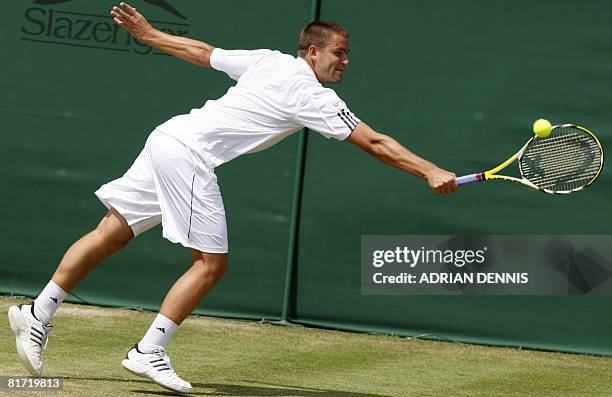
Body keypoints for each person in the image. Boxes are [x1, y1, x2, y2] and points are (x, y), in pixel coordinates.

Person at [8, 2, 457, 394]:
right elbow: (375, 143)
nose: (345, 62)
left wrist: (150, 35)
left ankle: (36, 311)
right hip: (188, 154)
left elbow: (203, 54)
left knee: (112, 232)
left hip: (168, 136)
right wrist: (429, 170)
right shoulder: (312, 95)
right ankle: (149, 349)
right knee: (211, 264)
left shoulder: (269, 61)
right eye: (339, 53)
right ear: (313, 51)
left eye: (348, 55)